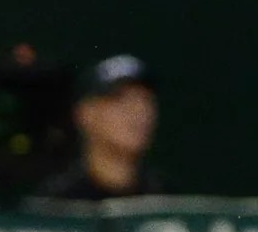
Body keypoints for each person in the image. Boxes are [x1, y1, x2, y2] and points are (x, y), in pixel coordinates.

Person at [33, 54, 163, 201]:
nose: (139, 111)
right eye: (120, 99)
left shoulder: (168, 200)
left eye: (146, 99)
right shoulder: (56, 203)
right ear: (86, 114)